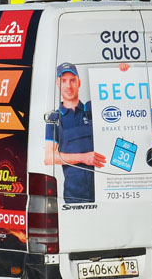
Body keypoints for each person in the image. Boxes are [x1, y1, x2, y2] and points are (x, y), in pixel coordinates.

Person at [44, 63, 106, 203]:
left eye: (72, 80)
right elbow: (49, 157)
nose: (68, 86)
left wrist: (122, 71)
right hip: (75, 196)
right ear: (57, 83)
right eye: (64, 81)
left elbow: (118, 98)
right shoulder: (54, 118)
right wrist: (83, 158)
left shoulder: (94, 108)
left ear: (79, 82)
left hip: (105, 190)